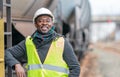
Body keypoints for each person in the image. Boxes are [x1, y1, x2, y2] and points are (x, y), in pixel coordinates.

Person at [5, 7, 80, 77]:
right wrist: (16, 64)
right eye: (40, 21)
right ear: (35, 24)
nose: (44, 23)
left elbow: (75, 68)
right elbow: (7, 53)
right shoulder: (28, 42)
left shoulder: (62, 42)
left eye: (48, 21)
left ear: (52, 23)